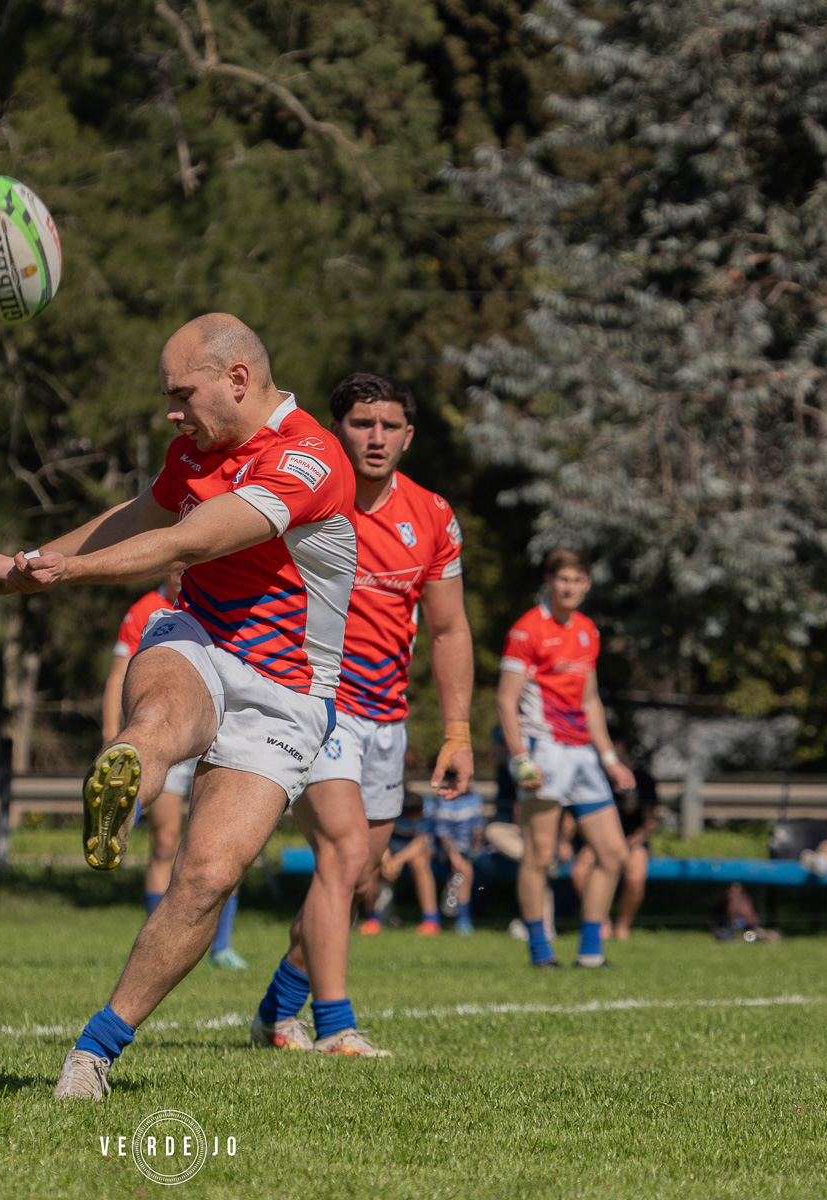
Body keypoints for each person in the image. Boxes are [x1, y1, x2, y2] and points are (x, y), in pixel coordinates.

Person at [0, 313, 357, 1100]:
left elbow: (190, 541)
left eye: (182, 395)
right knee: (159, 722)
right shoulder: (195, 452)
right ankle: (128, 779)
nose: (171, 413)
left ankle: (94, 1050)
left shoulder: (310, 459)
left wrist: (62, 576)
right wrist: (31, 563)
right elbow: (141, 515)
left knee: (207, 876)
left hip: (286, 695)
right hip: (199, 640)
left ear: (237, 379)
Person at [249, 370, 474, 1055]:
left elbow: (448, 631)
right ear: (336, 426)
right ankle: (337, 1026)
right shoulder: (306, 496)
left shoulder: (433, 516)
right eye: (360, 423)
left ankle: (276, 1010)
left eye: (388, 426)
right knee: (343, 857)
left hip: (387, 718)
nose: (374, 438)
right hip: (315, 704)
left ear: (408, 435)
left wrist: (458, 732)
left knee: (357, 883)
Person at [498, 549, 636, 969]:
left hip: (583, 755)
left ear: (587, 584)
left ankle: (591, 951)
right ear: (549, 581)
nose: (569, 587)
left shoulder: (587, 630)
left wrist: (610, 757)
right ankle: (540, 950)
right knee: (540, 855)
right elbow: (506, 701)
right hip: (545, 751)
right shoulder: (527, 630)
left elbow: (590, 700)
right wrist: (520, 758)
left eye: (577, 580)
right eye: (563, 579)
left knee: (613, 853)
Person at [108, 576, 245, 969]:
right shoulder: (144, 609)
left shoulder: (231, 592)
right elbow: (119, 674)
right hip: (167, 727)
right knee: (166, 841)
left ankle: (220, 946)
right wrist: (112, 730)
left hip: (219, 727)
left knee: (222, 845)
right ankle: (121, 814)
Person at [571, 751, 658, 939]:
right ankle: (599, 922)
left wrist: (631, 842)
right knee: (580, 870)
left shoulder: (642, 779)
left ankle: (622, 928)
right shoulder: (591, 777)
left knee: (635, 874)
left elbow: (650, 822)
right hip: (599, 843)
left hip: (631, 843)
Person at [372, 793, 439, 934]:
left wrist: (397, 860)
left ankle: (431, 920)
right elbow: (379, 837)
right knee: (374, 865)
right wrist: (386, 859)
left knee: (420, 863)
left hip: (414, 850)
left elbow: (420, 843)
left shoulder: (428, 810)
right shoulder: (388, 810)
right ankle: (372, 919)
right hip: (388, 847)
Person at [430, 787, 485, 935]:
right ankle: (463, 919)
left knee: (467, 866)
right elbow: (442, 833)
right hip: (446, 851)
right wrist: (454, 855)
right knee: (464, 869)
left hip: (470, 850)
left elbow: (478, 826)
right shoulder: (444, 799)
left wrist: (477, 844)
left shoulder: (475, 797)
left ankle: (460, 913)